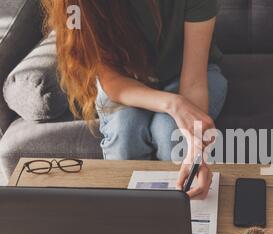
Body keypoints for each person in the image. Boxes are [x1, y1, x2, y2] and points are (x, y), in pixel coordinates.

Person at [42, 0, 228, 198]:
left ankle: (184, 214)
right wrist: (173, 104)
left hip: (186, 74)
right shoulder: (77, 6)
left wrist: (196, 150)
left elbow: (193, 82)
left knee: (170, 134)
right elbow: (112, 80)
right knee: (125, 132)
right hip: (124, 82)